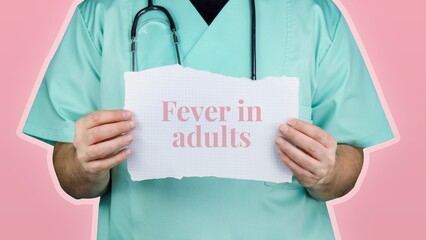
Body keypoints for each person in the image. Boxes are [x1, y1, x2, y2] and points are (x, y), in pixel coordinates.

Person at [22, 0, 394, 239]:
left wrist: (328, 173)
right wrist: (85, 164)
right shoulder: (104, 12)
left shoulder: (312, 14)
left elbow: (349, 158)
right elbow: (70, 173)